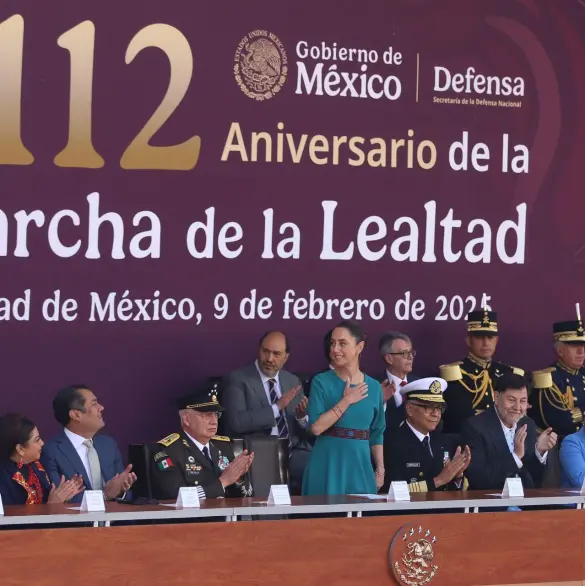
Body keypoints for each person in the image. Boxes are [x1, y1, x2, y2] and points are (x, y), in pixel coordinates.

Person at [302, 320, 385, 495]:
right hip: (328, 463)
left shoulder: (374, 387)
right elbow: (316, 427)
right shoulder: (321, 382)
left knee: (360, 520)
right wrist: (346, 400)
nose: (335, 349)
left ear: (359, 347)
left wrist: (380, 469)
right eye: (333, 343)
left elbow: (377, 432)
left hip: (360, 465)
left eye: (342, 343)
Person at [222, 331, 311, 492]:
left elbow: (304, 428)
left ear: (286, 357)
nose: (269, 359)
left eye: (276, 354)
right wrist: (277, 407)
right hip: (258, 454)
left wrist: (301, 417)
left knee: (321, 468)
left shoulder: (292, 380)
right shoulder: (238, 379)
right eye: (265, 351)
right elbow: (237, 422)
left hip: (293, 452)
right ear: (259, 350)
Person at [150, 385, 254, 500]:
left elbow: (245, 497)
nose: (214, 421)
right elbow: (177, 497)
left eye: (216, 415)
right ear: (187, 419)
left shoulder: (223, 446)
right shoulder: (167, 450)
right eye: (207, 415)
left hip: (225, 516)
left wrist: (238, 478)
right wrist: (222, 482)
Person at [41, 384, 136, 503]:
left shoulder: (108, 445)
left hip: (113, 520)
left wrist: (121, 491)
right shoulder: (51, 451)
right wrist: (105, 495)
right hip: (77, 521)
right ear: (76, 415)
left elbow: (125, 494)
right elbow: (59, 499)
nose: (101, 407)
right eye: (94, 403)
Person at [461, 372, 557, 490]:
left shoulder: (527, 424)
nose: (517, 408)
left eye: (522, 401)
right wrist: (516, 456)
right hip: (491, 504)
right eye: (511, 400)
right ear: (496, 397)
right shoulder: (475, 426)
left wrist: (539, 451)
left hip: (525, 504)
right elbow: (479, 479)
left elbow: (533, 476)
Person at [440, 309, 524, 433]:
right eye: (479, 337)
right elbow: (456, 416)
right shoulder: (455, 373)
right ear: (468, 340)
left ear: (496, 340)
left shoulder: (508, 373)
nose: (486, 343)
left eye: (490, 337)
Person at [383, 378, 470, 493]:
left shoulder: (442, 442)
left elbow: (452, 492)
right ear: (409, 409)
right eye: (429, 407)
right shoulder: (392, 442)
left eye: (439, 408)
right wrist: (438, 480)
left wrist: (457, 475)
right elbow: (392, 492)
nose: (436, 414)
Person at [0, 413, 84, 505]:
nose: (42, 443)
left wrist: (63, 497)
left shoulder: (38, 467)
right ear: (20, 449)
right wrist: (51, 505)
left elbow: (50, 501)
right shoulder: (4, 477)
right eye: (37, 440)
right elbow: (11, 517)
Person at [531, 315, 585, 438]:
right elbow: (557, 421)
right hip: (562, 444)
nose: (581, 351)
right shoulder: (549, 379)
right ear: (560, 350)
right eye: (574, 345)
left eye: (583, 345)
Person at [378, 331, 420, 432]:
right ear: (389, 358)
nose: (411, 357)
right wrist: (381, 400)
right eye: (405, 353)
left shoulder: (419, 384)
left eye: (411, 352)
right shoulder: (375, 385)